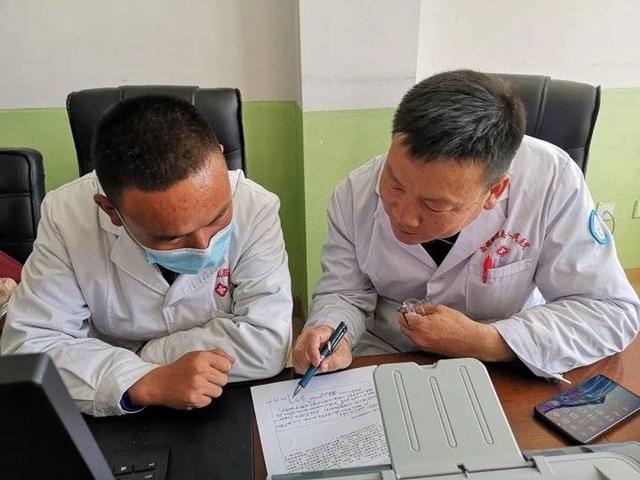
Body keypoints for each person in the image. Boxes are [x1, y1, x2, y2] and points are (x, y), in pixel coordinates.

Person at [293, 70, 640, 382]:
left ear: (495, 192)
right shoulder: (353, 193)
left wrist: (487, 341)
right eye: (395, 183)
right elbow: (344, 294)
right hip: (390, 354)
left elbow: (610, 312)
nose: (404, 216)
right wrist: (329, 329)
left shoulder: (552, 182)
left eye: (434, 205)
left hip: (505, 365)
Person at [1, 95, 292, 416]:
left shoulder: (255, 207)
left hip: (223, 401)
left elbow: (268, 344)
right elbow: (29, 350)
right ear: (111, 211)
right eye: (171, 237)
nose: (204, 246)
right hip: (114, 413)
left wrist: (145, 355)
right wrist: (143, 381)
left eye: (218, 217)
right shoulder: (67, 217)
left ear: (221, 159)